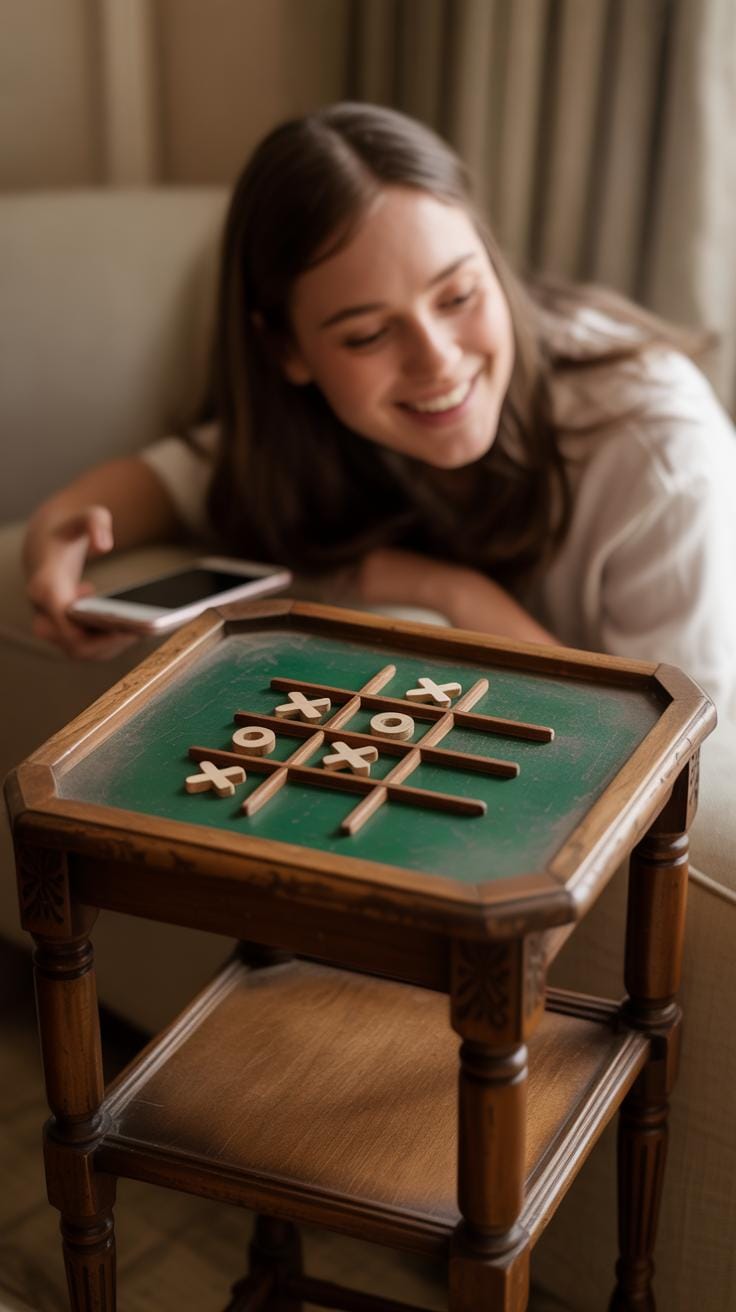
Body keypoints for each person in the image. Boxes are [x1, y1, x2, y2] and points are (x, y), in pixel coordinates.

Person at [22, 102, 736, 708]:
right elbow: (171, 479)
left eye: (459, 295)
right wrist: (59, 531)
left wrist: (455, 594)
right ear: (287, 352)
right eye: (367, 334)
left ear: (492, 260)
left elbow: (679, 748)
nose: (438, 359)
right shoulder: (304, 430)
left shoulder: (661, 452)